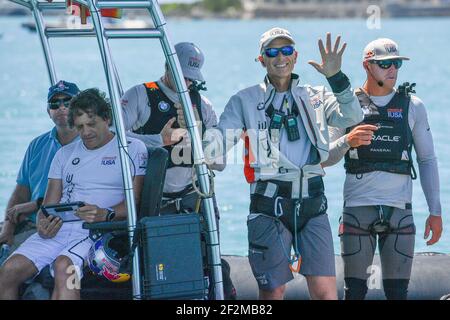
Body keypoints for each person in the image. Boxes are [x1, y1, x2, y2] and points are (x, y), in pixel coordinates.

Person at [200, 27, 363, 300]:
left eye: (286, 51)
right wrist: (190, 138)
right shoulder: (245, 100)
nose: (280, 57)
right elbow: (214, 147)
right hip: (268, 206)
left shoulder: (316, 95)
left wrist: (336, 77)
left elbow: (351, 114)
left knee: (325, 292)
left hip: (313, 204)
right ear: (261, 60)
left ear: (295, 56)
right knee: (273, 290)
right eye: (272, 52)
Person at [323, 38, 443, 300]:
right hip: (357, 208)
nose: (392, 69)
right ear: (367, 66)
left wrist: (435, 211)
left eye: (396, 63)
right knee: (354, 292)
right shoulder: (346, 105)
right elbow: (324, 158)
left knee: (397, 294)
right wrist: (347, 141)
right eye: (384, 63)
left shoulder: (414, 106)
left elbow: (427, 160)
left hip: (399, 210)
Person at [0, 88, 147, 300]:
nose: (86, 132)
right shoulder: (64, 154)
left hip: (96, 230)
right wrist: (42, 223)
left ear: (106, 119)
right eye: (80, 127)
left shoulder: (131, 148)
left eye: (91, 124)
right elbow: (48, 206)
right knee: (9, 270)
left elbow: (134, 202)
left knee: (64, 267)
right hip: (58, 230)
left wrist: (106, 214)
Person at [120, 42, 235, 299]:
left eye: (192, 79)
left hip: (192, 198)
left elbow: (220, 162)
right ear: (167, 66)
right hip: (152, 199)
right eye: (183, 76)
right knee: (152, 262)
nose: (187, 83)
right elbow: (115, 140)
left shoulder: (203, 106)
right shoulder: (140, 95)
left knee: (210, 258)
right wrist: (160, 140)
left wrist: (196, 137)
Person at [0, 80, 80, 254]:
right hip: (26, 224)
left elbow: (80, 195)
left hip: (58, 225)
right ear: (48, 111)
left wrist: (35, 205)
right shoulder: (37, 144)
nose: (61, 107)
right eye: (54, 103)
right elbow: (21, 191)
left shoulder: (89, 145)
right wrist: (8, 226)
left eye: (68, 102)